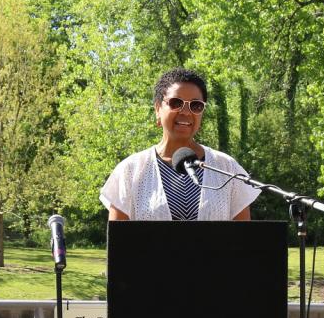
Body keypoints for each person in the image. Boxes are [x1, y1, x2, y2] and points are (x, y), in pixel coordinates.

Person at [100, 68, 259, 221]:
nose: (185, 112)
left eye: (195, 106)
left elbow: (243, 242)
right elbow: (118, 244)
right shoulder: (129, 171)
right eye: (176, 103)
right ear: (157, 108)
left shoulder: (227, 168)